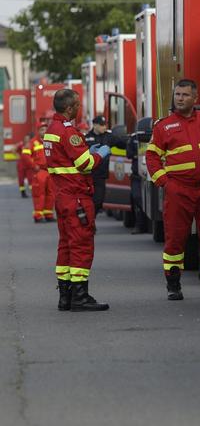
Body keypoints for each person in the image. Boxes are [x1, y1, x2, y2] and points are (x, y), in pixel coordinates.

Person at [145, 79, 200, 301]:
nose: (180, 98)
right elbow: (152, 156)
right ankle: (173, 285)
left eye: (185, 95)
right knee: (176, 237)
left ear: (195, 98)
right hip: (179, 189)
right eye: (177, 95)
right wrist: (164, 182)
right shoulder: (163, 126)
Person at [43, 88, 110, 312]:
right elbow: (86, 164)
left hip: (62, 196)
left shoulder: (52, 129)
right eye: (78, 105)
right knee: (81, 245)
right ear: (69, 108)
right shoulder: (68, 131)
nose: (80, 109)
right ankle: (80, 297)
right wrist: (100, 154)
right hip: (77, 198)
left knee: (66, 246)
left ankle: (66, 297)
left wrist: (86, 150)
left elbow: (67, 158)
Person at [83, 115, 126, 214]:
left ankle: (90, 221)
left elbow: (122, 143)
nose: (104, 127)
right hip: (88, 174)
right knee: (87, 201)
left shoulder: (109, 136)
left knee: (98, 201)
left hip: (101, 175)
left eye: (105, 125)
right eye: (102, 125)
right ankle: (89, 224)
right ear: (94, 125)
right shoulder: (87, 138)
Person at [29, 124, 55, 223]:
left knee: (51, 193)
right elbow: (25, 156)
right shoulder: (33, 142)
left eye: (46, 129)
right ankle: (38, 215)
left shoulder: (50, 141)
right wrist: (33, 166)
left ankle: (48, 214)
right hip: (40, 171)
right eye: (42, 129)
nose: (44, 131)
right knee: (39, 194)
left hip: (50, 171)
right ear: (38, 131)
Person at [126, 129, 148, 234]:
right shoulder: (134, 138)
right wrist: (138, 155)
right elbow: (129, 154)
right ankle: (139, 225)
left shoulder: (154, 135)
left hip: (150, 174)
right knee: (137, 198)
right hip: (136, 174)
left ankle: (146, 225)